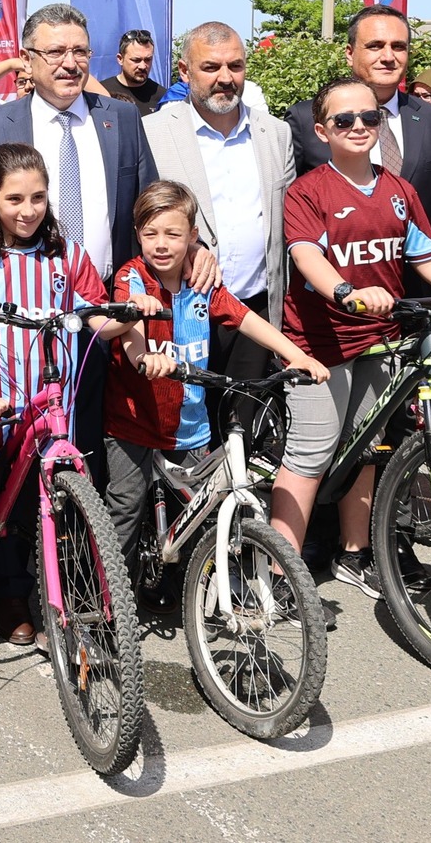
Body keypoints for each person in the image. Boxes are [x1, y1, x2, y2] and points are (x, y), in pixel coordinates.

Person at [275, 78, 431, 601]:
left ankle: (354, 554)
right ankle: (278, 575)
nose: (359, 127)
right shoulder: (309, 191)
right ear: (322, 131)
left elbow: (430, 259)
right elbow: (307, 256)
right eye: (344, 120)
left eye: (369, 117)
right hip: (321, 344)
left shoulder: (398, 190)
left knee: (368, 448)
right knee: (311, 455)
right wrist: (345, 291)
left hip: (382, 339)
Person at [0, 3, 178, 469]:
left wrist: (190, 248)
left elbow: (149, 201)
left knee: (90, 443)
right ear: (27, 59)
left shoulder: (122, 118)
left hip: (103, 307)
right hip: (20, 317)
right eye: (55, 52)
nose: (70, 63)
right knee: (16, 449)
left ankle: (80, 514)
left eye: (80, 51)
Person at [0, 143, 136, 647]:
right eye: (14, 199)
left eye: (38, 198)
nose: (28, 210)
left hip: (53, 409)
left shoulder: (68, 255)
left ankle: (59, 605)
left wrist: (129, 312)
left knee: (46, 511)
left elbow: (96, 317)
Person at [105, 181, 324, 581]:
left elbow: (246, 318)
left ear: (193, 236)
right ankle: (111, 601)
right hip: (133, 420)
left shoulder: (201, 283)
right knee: (125, 507)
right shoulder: (133, 277)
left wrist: (297, 355)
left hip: (190, 422)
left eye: (173, 234)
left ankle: (188, 589)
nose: (161, 244)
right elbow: (130, 333)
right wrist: (144, 358)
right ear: (137, 234)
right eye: (150, 234)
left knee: (198, 511)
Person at [142, 22, 296, 433]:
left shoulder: (275, 134)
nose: (226, 78)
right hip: (179, 314)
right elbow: (140, 217)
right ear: (184, 71)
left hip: (253, 310)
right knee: (182, 431)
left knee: (241, 432)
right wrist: (187, 247)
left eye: (236, 66)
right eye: (211, 67)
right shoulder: (153, 132)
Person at [285, 5, 431, 256]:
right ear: (349, 53)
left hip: (424, 275)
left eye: (398, 46)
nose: (388, 56)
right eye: (375, 46)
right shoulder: (306, 119)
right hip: (335, 274)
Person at [98, 29, 163, 115]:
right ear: (120, 59)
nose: (143, 66)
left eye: (148, 59)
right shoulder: (102, 92)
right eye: (136, 60)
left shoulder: (162, 97)